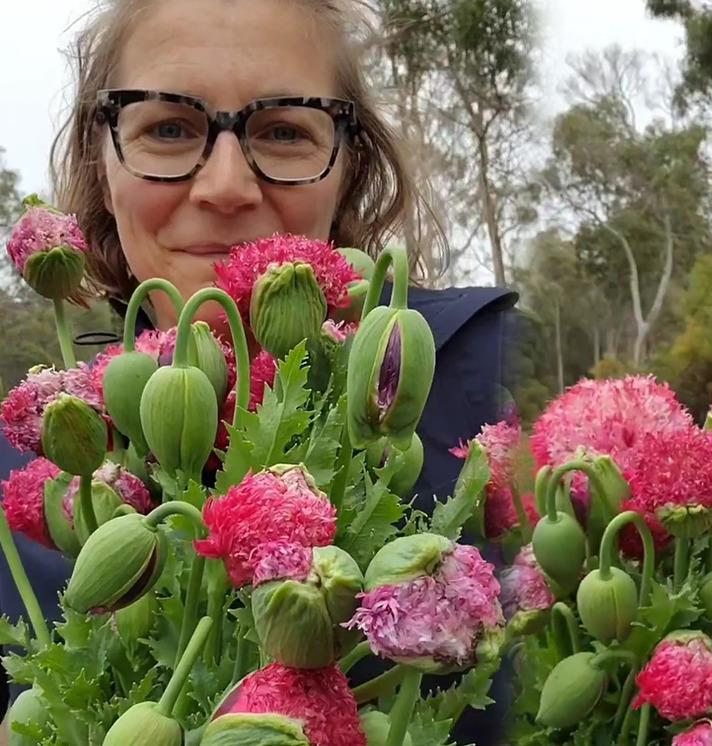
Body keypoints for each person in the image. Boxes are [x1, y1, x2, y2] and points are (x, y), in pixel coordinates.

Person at [0, 0, 517, 742]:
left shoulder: (484, 370)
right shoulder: (41, 455)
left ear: (351, 165)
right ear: (101, 160)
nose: (226, 186)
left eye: (282, 130)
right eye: (169, 128)